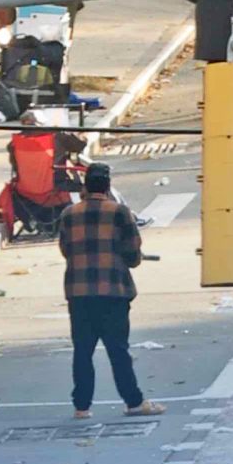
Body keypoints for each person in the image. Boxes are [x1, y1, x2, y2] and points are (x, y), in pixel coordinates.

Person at [58, 162, 164, 419]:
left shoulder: (69, 214)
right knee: (118, 350)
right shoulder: (119, 212)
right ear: (107, 187)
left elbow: (65, 249)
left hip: (79, 292)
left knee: (82, 351)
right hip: (113, 291)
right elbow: (132, 252)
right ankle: (133, 402)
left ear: (85, 186)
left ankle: (82, 406)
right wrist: (130, 259)